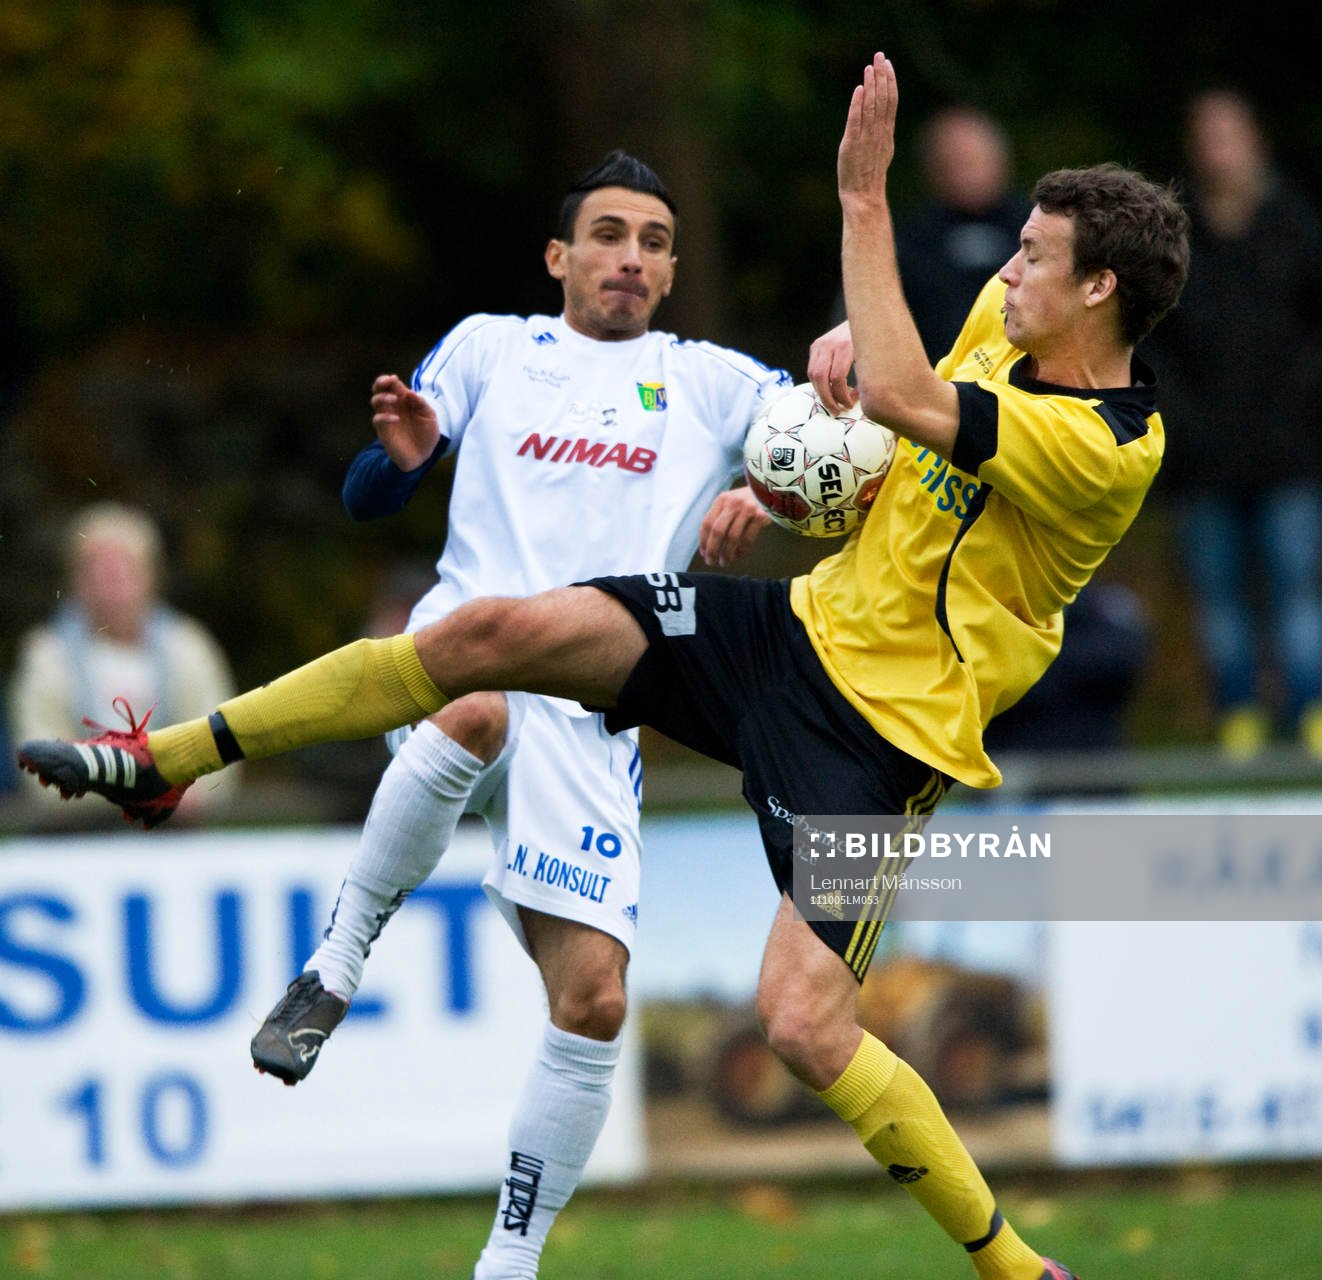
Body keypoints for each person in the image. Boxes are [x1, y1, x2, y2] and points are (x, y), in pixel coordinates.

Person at [19, 53, 1191, 1280]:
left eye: (1030, 258)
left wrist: (861, 199)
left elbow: (904, 398)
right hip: (781, 635)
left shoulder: (1104, 447)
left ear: (1096, 288)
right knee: (486, 637)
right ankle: (166, 759)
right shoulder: (1001, 332)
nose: (1004, 271)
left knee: (800, 1024)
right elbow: (894, 400)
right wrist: (829, 388)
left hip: (882, 741)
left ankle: (1011, 1263)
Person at [255, 150, 791, 1280]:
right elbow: (368, 490)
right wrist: (401, 465)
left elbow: (838, 450)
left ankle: (509, 1260)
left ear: (672, 271)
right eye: (608, 235)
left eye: (653, 242)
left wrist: (768, 489)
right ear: (559, 256)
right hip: (465, 652)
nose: (630, 257)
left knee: (593, 1003)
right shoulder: (492, 348)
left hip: (593, 715)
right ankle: (334, 968)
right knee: (476, 707)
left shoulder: (711, 383)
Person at [1147, 89, 1322, 760]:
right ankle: (1238, 718)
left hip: (1288, 452)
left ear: (1255, 141)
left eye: (1231, 134)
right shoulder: (1175, 234)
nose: (1220, 149)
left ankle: (1309, 713)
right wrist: (1182, 422)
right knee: (1218, 599)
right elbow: (1155, 341)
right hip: (1202, 460)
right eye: (1208, 136)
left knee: (1296, 589)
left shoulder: (1294, 223)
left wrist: (1303, 404)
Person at [8, 500, 239, 819]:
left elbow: (222, 739)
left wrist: (190, 794)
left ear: (151, 576)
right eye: (97, 571)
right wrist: (130, 800)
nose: (110, 585)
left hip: (178, 830)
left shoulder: (189, 647)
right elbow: (38, 758)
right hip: (78, 832)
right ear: (76, 580)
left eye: (123, 570)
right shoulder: (46, 655)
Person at [830, 104, 1030, 364]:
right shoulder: (907, 241)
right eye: (953, 163)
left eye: (972, 161)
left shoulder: (1034, 229)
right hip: (931, 376)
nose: (965, 174)